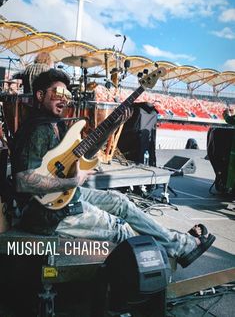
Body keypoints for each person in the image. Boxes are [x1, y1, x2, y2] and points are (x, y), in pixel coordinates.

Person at [11, 69, 215, 268]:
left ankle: (180, 245)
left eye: (67, 94)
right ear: (40, 95)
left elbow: (85, 155)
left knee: (120, 202)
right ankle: (169, 256)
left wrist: (112, 126)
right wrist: (73, 181)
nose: (64, 99)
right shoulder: (37, 129)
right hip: (46, 213)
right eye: (57, 93)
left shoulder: (57, 124)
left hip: (64, 195)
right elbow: (23, 180)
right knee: (120, 228)